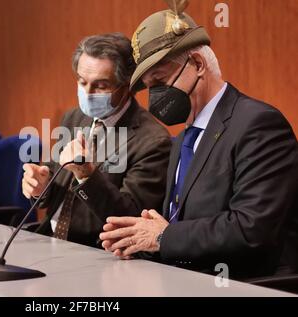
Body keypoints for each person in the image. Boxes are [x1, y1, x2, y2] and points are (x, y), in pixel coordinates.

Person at [100, 10, 298, 279]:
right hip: (184, 279)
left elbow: (251, 229)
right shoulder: (183, 138)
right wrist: (138, 239)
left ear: (198, 64)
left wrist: (162, 237)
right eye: (150, 87)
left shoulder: (259, 124)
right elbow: (178, 223)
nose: (155, 97)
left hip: (244, 283)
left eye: (160, 81)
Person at [22, 33, 171, 248]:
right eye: (82, 82)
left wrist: (86, 175)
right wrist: (40, 187)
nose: (88, 92)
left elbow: (129, 219)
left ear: (127, 85)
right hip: (50, 240)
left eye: (100, 86)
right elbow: (54, 191)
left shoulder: (153, 141)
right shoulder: (73, 118)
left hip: (98, 252)